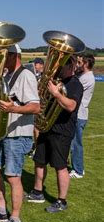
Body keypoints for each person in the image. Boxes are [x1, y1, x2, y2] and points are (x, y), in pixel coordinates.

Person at [0, 44, 39, 222]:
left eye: (3, 56)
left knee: (13, 176)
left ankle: (15, 218)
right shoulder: (5, 76)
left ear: (13, 56)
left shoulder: (26, 75)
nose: (0, 60)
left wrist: (13, 109)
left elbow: (35, 107)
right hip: (1, 132)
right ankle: (1, 210)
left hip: (18, 134)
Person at [27, 56, 83, 213]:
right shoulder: (55, 80)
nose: (58, 69)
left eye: (62, 66)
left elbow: (71, 106)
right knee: (39, 161)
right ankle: (37, 192)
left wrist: (56, 94)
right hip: (47, 126)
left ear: (70, 66)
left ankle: (61, 200)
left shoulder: (75, 84)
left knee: (60, 166)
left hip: (62, 130)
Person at [70, 54, 95, 178]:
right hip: (79, 113)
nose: (78, 65)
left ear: (86, 64)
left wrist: (73, 70)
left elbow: (72, 88)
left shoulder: (86, 78)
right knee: (73, 142)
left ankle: (78, 170)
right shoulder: (84, 76)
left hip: (79, 115)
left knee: (76, 143)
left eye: (80, 63)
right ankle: (76, 167)